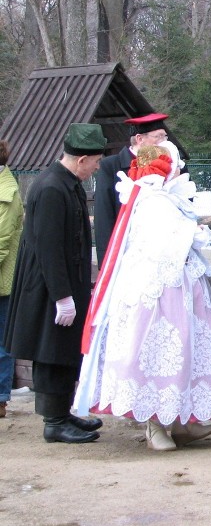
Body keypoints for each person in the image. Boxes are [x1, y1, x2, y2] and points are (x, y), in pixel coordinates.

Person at [74, 142, 211, 451]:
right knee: (160, 350)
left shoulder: (161, 198)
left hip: (179, 286)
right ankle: (155, 423)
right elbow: (165, 245)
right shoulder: (153, 201)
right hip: (161, 293)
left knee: (186, 350)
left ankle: (180, 420)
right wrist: (195, 234)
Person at [3, 124, 106, 443]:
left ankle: (63, 412)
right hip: (49, 287)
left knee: (63, 351)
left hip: (64, 282)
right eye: (96, 162)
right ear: (82, 160)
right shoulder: (51, 188)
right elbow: (49, 247)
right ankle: (54, 421)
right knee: (51, 351)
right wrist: (62, 296)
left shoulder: (66, 183)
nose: (97, 168)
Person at [94, 113, 169, 265]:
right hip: (126, 250)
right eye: (158, 137)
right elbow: (104, 213)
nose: (164, 143)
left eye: (165, 137)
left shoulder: (174, 165)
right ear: (140, 139)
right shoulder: (112, 166)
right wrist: (106, 260)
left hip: (164, 250)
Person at [0, 141, 23, 419]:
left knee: (2, 344)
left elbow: (2, 240)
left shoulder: (7, 192)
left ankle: (1, 399)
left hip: (3, 282)